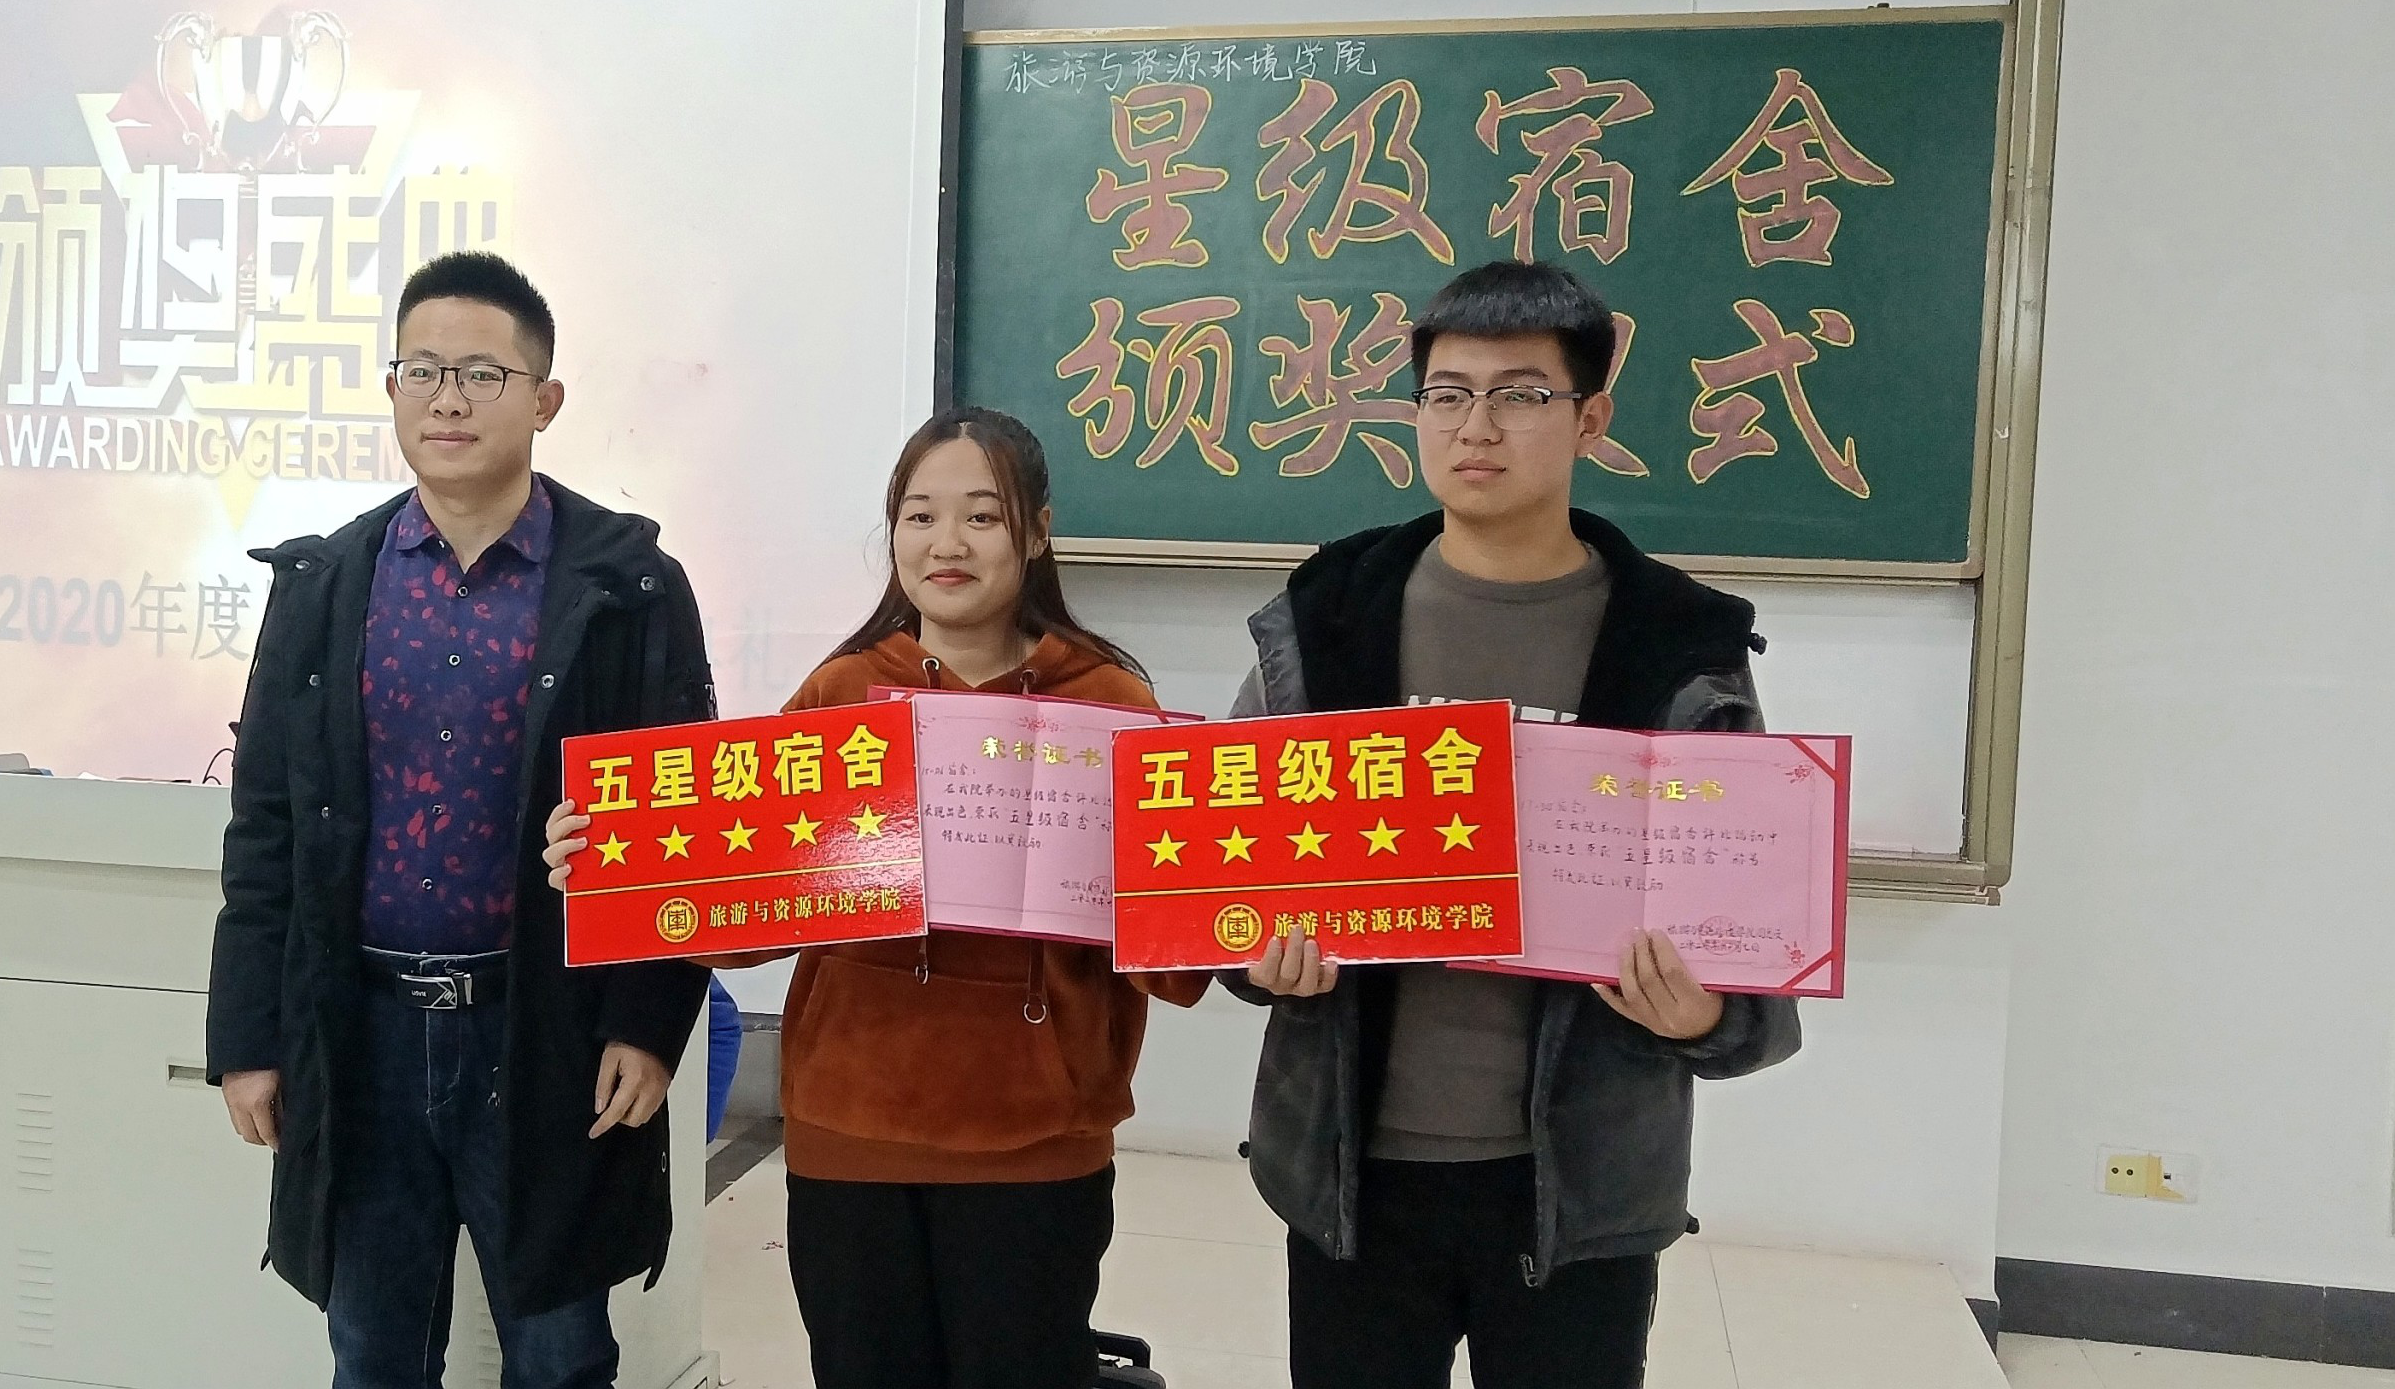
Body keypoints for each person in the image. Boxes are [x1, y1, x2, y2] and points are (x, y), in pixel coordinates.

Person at [1229, 260, 1804, 1389]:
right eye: (1446, 394)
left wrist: (1705, 1016)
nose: (1475, 426)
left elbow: (1747, 926)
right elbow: (1229, 877)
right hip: (1350, 1170)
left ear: (1590, 416)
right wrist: (1254, 955)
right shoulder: (1326, 617)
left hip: (1577, 1186)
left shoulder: (1677, 644)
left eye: (1520, 394)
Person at [546, 408, 1204, 1389]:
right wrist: (620, 866)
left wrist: (1224, 916)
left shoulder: (1107, 705)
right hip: (848, 1138)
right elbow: (743, 919)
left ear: (1035, 531)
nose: (946, 544)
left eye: (982, 516)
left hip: (1039, 1147)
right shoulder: (840, 696)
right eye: (919, 515)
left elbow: (1176, 960)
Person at [207, 249, 715, 1389]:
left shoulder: (627, 588)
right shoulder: (324, 585)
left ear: (545, 399)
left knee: (560, 1349)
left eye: (483, 374)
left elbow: (680, 819)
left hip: (546, 1026)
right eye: (422, 370)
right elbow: (266, 828)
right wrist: (247, 1038)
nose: (448, 399)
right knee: (372, 1346)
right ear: (392, 389)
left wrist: (647, 1021)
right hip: (363, 1027)